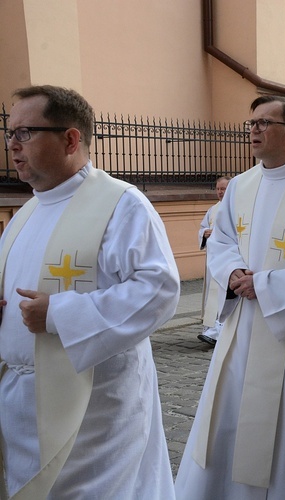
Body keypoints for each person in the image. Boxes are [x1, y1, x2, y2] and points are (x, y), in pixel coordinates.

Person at [0, 85, 179, 498]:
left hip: (93, 410)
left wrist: (60, 314)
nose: (13, 145)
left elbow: (159, 290)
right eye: (11, 133)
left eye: (25, 132)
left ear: (70, 139)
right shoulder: (26, 210)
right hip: (21, 404)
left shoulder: (122, 204)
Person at [176, 95, 285, 499]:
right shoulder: (240, 185)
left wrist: (267, 285)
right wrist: (232, 271)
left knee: (280, 432)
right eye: (251, 123)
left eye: (264, 123)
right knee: (226, 419)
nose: (254, 130)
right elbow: (221, 239)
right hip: (241, 329)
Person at [198, 175, 231, 346]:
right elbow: (203, 227)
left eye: (223, 189)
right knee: (211, 295)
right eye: (218, 189)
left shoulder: (236, 207)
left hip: (226, 260)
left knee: (223, 294)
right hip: (212, 259)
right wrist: (204, 234)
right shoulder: (213, 209)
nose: (220, 192)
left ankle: (221, 329)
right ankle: (210, 327)